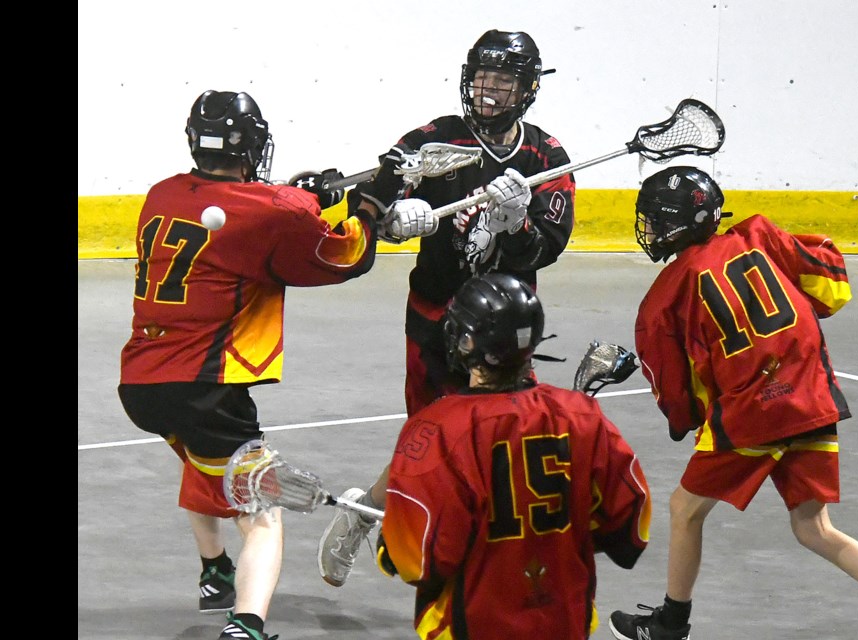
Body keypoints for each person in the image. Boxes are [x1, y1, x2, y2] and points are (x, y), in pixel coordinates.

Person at [117, 89, 434, 640]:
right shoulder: (269, 212)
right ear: (254, 144)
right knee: (261, 511)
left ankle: (215, 572)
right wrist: (371, 203)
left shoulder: (161, 194)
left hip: (142, 382)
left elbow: (253, 211)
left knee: (202, 462)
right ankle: (247, 625)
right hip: (207, 386)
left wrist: (300, 194)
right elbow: (343, 256)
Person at [317, 29, 576, 588]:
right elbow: (379, 195)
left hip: (505, 325)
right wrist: (392, 220)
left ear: (526, 89)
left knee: (498, 439)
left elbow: (547, 249)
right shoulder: (435, 139)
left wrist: (517, 223)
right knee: (429, 439)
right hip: (436, 315)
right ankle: (366, 512)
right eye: (481, 80)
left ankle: (475, 554)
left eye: (502, 83)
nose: (487, 93)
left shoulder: (546, 158)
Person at [607, 167, 858, 640]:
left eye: (653, 219)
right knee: (813, 527)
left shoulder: (663, 300)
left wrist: (693, 421)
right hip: (814, 398)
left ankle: (671, 625)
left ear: (675, 224)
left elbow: (679, 401)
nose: (647, 229)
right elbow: (832, 288)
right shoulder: (758, 234)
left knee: (684, 509)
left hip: (755, 414)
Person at [375, 272, 652, 639]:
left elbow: (421, 561)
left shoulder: (437, 430)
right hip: (565, 623)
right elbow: (631, 524)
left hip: (472, 626)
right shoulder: (582, 417)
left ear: (467, 342)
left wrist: (386, 548)